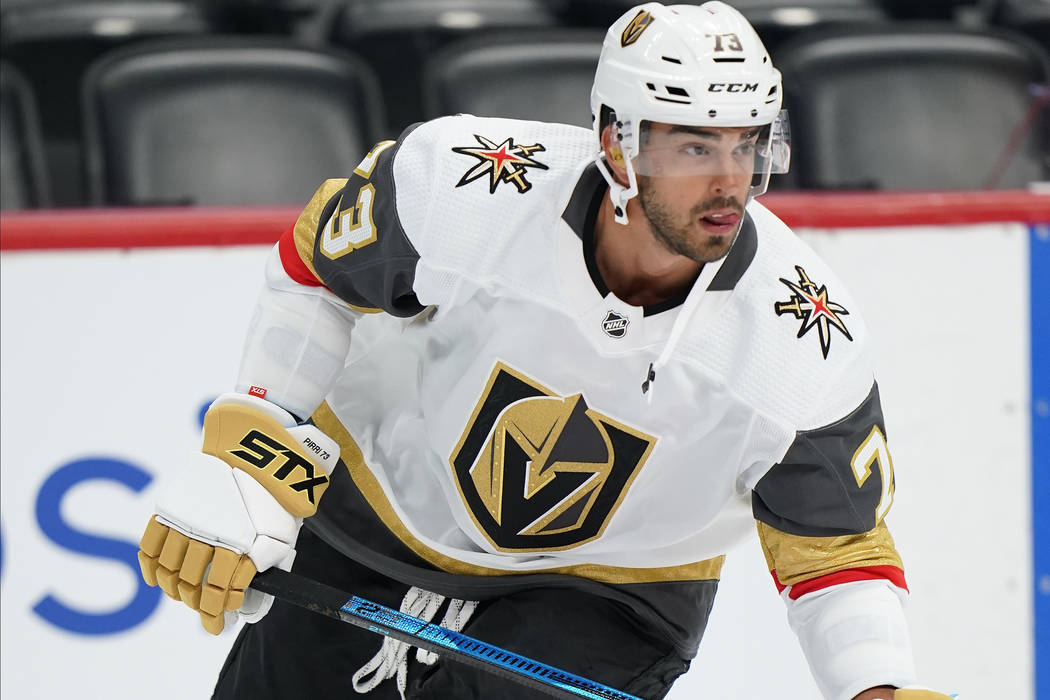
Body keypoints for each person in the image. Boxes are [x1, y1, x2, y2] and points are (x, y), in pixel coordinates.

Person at [136, 3, 957, 699]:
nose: (729, 183)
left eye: (746, 145)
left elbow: (837, 550)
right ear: (616, 144)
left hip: (609, 594)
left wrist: (877, 687)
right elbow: (316, 269)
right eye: (694, 148)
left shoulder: (804, 335)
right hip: (374, 514)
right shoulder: (464, 183)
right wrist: (255, 451)